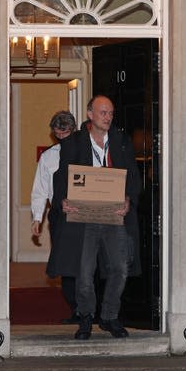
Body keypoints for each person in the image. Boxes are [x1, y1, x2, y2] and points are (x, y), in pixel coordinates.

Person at [50, 95, 141, 340]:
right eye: (103, 112)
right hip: (84, 217)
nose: (108, 117)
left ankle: (110, 316)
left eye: (110, 113)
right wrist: (62, 200)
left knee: (120, 268)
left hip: (115, 216)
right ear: (90, 114)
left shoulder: (121, 141)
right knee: (84, 271)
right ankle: (86, 317)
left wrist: (128, 200)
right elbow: (61, 177)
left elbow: (133, 175)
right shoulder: (75, 142)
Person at [30, 110, 78, 324]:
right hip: (58, 216)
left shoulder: (85, 152)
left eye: (65, 134)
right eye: (58, 135)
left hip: (83, 214)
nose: (62, 138)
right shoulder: (48, 156)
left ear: (73, 130)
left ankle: (86, 308)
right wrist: (37, 218)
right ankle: (76, 308)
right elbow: (40, 189)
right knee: (65, 264)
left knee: (84, 262)